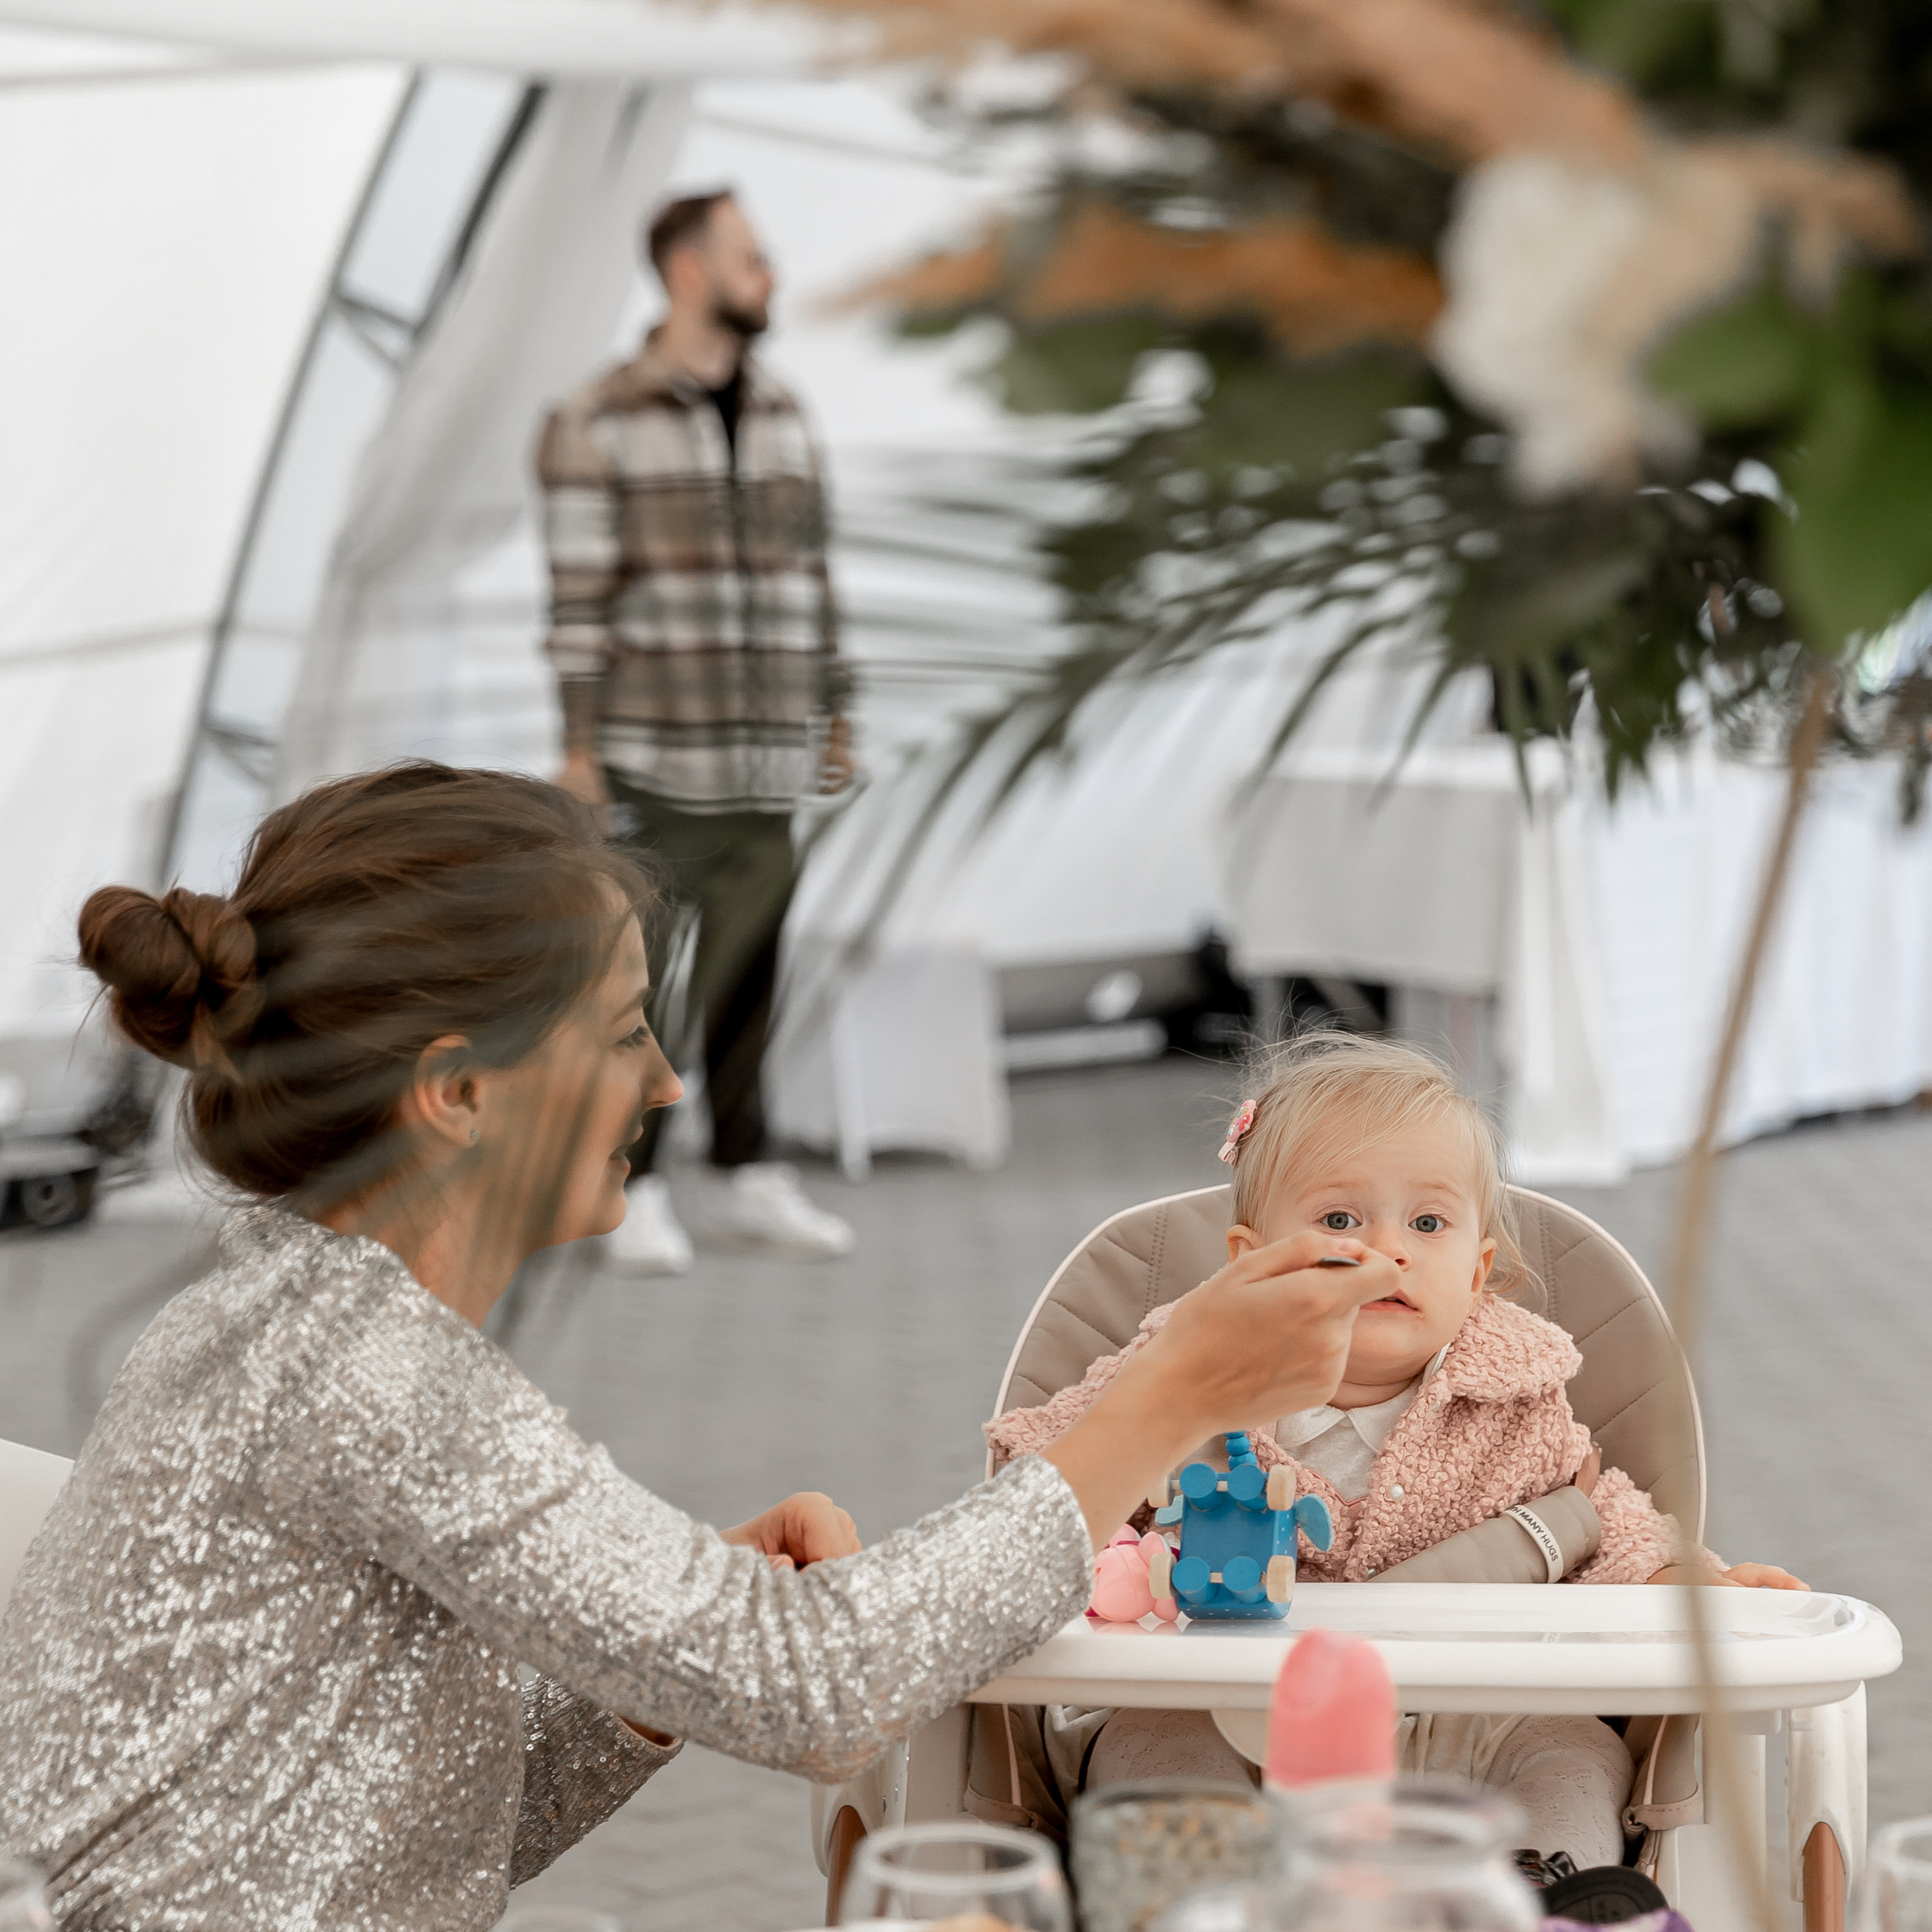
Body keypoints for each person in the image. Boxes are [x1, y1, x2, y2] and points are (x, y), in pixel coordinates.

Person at [0, 764, 1392, 1928]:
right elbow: (825, 1688)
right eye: (617, 1034)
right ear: (459, 1091)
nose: (664, 1082)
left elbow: (417, 1832)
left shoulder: (276, 1324)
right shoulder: (366, 1376)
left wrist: (647, 1684)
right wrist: (1163, 1400)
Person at [986, 1032, 1805, 1875]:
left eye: (1427, 1221)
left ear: (1478, 1268)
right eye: (1340, 1218)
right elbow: (1039, 1473)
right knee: (1151, 1748)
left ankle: (1547, 1893)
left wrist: (1682, 1583)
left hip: (1467, 1716)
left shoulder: (1514, 1395)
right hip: (1221, 1707)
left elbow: (1604, 1521)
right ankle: (1201, 1894)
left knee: (1573, 1755)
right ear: (1249, 1260)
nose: (1389, 1249)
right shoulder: (1180, 1372)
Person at [537, 187, 853, 1276]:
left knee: (754, 967)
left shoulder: (783, 412)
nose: (770, 275)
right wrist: (580, 751)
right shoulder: (596, 420)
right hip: (655, 759)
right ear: (686, 272)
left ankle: (749, 1169)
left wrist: (838, 704)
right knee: (647, 982)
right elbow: (576, 602)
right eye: (751, 258)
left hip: (765, 757)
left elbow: (815, 574)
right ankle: (640, 1182)